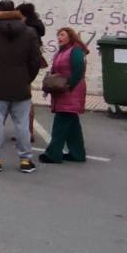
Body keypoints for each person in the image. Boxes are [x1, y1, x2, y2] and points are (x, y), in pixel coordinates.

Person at [0, 0, 41, 173]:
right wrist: (27, 78)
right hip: (21, 84)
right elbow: (35, 61)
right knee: (22, 124)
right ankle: (26, 160)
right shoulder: (29, 32)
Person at [39, 28, 89, 164]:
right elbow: (55, 71)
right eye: (58, 35)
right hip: (62, 91)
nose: (59, 37)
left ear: (70, 36)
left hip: (70, 91)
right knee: (72, 126)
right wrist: (48, 88)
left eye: (62, 35)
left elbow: (79, 70)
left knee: (60, 124)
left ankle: (53, 154)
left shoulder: (75, 50)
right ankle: (77, 154)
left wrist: (69, 86)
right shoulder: (62, 51)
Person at [17, 2, 45, 142]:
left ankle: (28, 131)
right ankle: (27, 131)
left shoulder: (29, 30)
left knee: (24, 100)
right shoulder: (36, 27)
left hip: (24, 68)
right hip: (28, 68)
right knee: (24, 99)